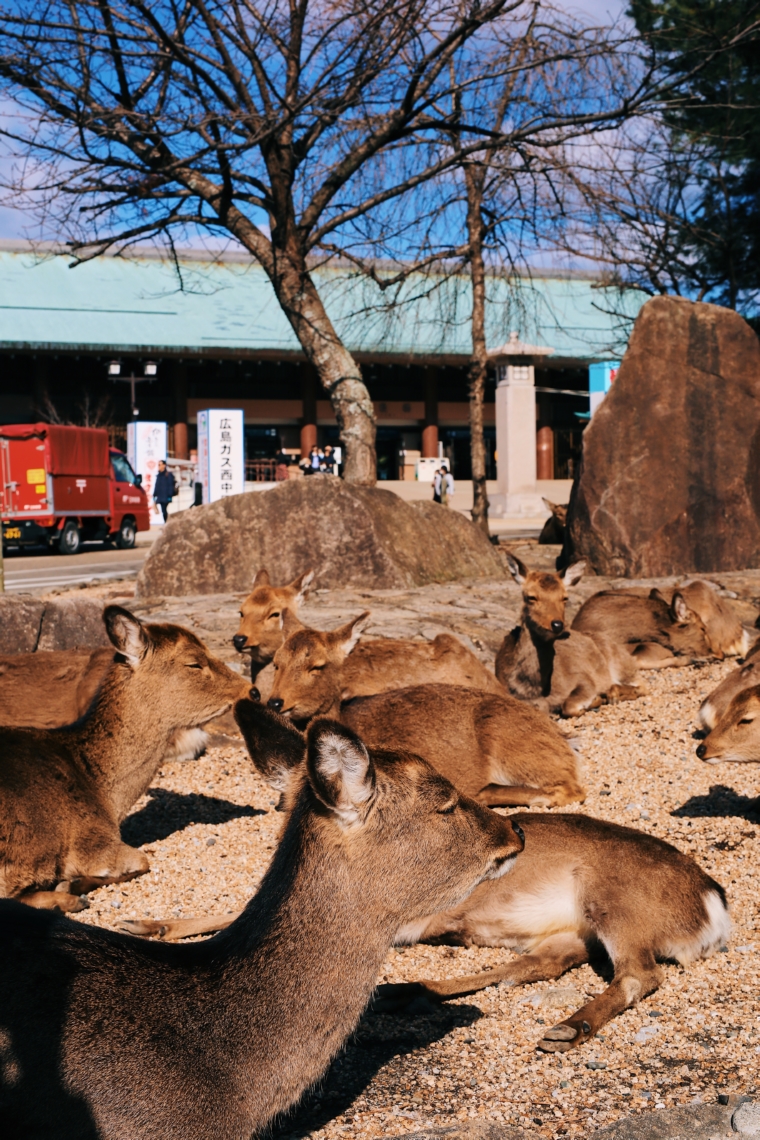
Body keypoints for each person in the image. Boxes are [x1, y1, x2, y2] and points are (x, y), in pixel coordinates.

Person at [153, 458, 176, 522]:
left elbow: (170, 485)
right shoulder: (158, 475)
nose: (159, 466)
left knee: (164, 510)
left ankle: (167, 522)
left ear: (164, 465)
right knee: (163, 511)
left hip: (166, 496)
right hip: (160, 496)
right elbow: (156, 486)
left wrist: (169, 496)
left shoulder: (168, 475)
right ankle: (167, 523)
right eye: (158, 465)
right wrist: (154, 495)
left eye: (160, 465)